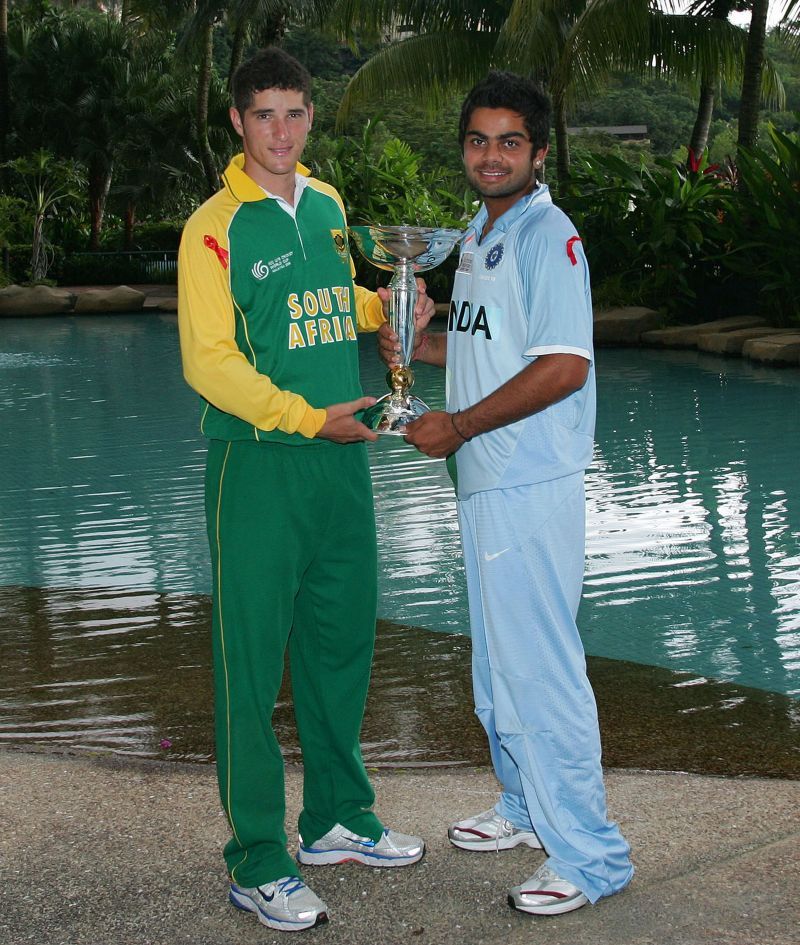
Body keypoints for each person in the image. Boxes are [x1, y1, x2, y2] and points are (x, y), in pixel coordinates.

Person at [177, 47, 430, 934]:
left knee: (339, 646)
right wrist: (302, 416)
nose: (281, 132)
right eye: (264, 115)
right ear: (239, 123)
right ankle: (255, 858)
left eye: (295, 114)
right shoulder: (212, 227)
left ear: (311, 118)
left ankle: (335, 819)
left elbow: (336, 299)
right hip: (258, 464)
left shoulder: (326, 206)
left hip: (341, 459)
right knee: (250, 667)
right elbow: (208, 363)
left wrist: (391, 306)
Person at [379, 71, 634, 916]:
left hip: (526, 478)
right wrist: (417, 343)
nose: (491, 156)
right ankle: (527, 807)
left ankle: (590, 854)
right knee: (499, 667)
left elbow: (564, 366)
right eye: (478, 140)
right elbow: (494, 352)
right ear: (464, 148)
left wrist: (457, 426)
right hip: (487, 476)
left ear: (538, 151)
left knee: (541, 670)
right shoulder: (483, 233)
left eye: (509, 142)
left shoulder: (545, 234)